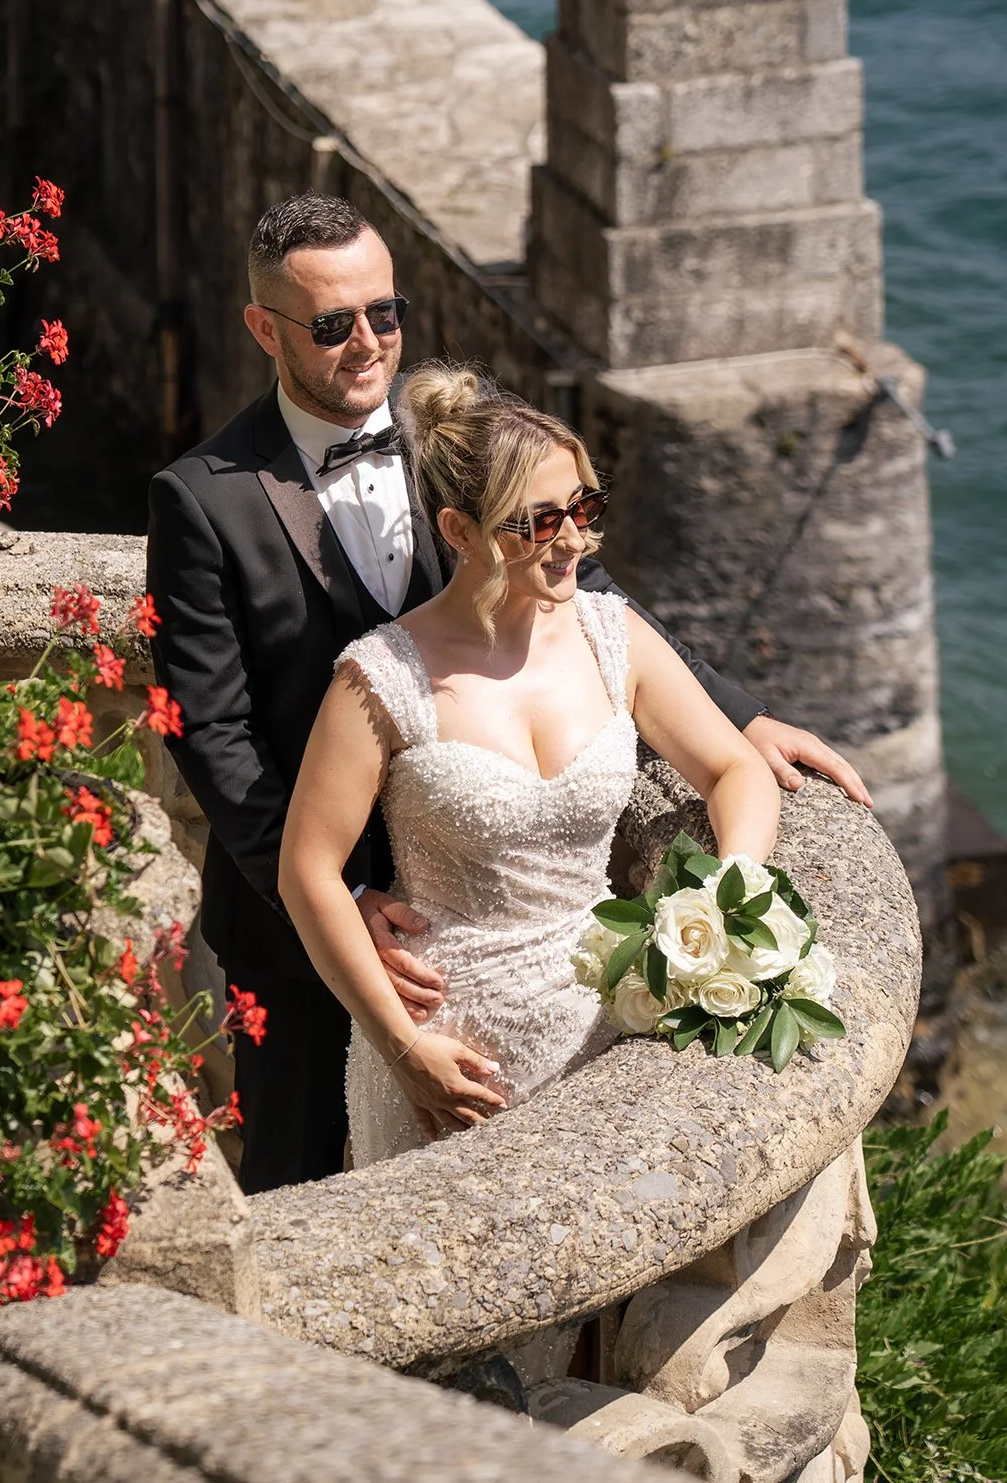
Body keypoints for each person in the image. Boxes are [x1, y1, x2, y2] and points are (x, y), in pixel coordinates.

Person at [147, 194, 867, 1192]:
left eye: (384, 314)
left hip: (516, 927)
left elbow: (572, 573)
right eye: (331, 325)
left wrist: (737, 716)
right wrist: (342, 895)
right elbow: (210, 728)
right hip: (316, 921)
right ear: (265, 328)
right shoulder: (203, 498)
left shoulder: (462, 432)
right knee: (304, 1179)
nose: (368, 344)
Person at [280, 366, 779, 1164]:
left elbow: (736, 771)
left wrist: (727, 893)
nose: (574, 539)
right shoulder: (379, 677)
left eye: (583, 508)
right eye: (539, 522)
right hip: (446, 1055)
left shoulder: (614, 635)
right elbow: (307, 873)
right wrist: (407, 1052)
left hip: (605, 1022)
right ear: (459, 530)